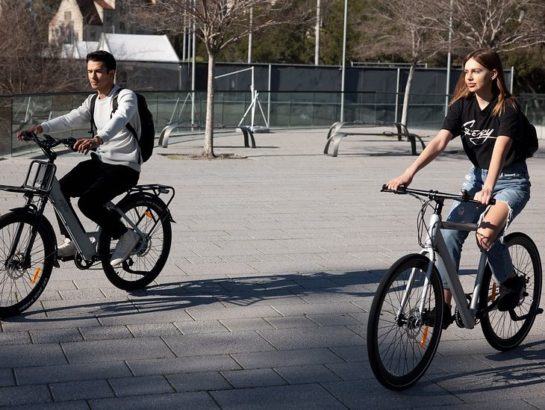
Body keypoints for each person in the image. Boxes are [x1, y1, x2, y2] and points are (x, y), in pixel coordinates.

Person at [386, 48, 530, 328]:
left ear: (493, 73)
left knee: (485, 236)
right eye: (466, 71)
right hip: (476, 180)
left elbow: (501, 146)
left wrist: (489, 187)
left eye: (476, 70)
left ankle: (510, 282)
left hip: (511, 181)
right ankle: (444, 306)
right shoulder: (462, 106)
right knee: (449, 235)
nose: (470, 76)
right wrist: (408, 173)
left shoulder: (507, 106)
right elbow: (439, 141)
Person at [17, 50, 142, 267]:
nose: (93, 77)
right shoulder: (93, 101)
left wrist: (98, 139)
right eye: (89, 72)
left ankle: (126, 235)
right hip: (101, 162)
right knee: (59, 191)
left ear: (111, 73)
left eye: (98, 72)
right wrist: (40, 128)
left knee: (88, 202)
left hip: (125, 166)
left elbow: (121, 118)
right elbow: (70, 118)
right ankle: (71, 239)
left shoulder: (125, 96)